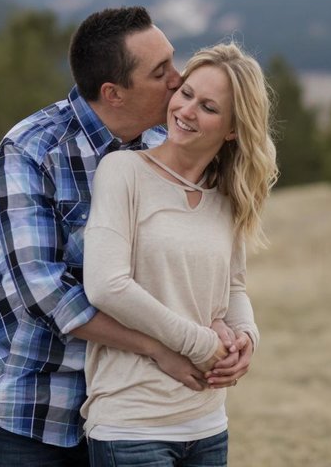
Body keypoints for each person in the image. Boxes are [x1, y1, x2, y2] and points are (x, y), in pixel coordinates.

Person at [0, 7, 251, 466]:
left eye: (173, 61)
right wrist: (161, 347)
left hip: (120, 407)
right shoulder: (31, 151)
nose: (178, 80)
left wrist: (235, 333)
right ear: (114, 93)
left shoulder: (160, 147)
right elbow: (45, 293)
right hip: (26, 404)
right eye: (160, 72)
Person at [81, 42, 276, 467]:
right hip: (131, 424)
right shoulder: (123, 172)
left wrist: (246, 336)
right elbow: (106, 286)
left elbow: (234, 285)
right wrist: (203, 344)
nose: (186, 111)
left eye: (208, 107)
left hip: (207, 424)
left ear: (231, 129)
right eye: (186, 93)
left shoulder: (227, 196)